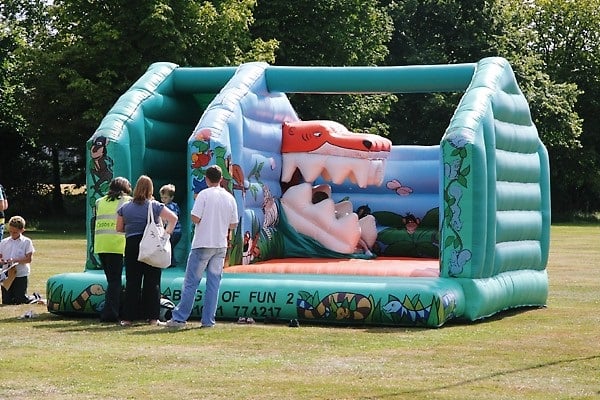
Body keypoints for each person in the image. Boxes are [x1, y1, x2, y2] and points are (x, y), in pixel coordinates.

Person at [161, 165, 238, 328]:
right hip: (220, 244)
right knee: (214, 283)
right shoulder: (229, 197)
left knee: (191, 282)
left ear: (206, 179)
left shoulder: (204, 194)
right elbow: (233, 224)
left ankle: (180, 318)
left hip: (203, 242)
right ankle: (208, 320)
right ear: (221, 179)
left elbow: (195, 217)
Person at [116, 175, 178, 326]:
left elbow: (119, 228)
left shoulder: (125, 208)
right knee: (152, 280)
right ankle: (152, 317)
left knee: (132, 281)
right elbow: (173, 218)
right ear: (151, 189)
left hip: (132, 244)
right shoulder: (154, 205)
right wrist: (166, 235)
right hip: (152, 244)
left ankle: (128, 317)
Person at [93, 177, 132, 322]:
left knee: (111, 280)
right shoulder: (127, 201)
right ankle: (111, 313)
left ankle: (112, 309)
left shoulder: (99, 201)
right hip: (117, 245)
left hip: (101, 244)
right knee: (115, 281)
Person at [0, 216, 35, 304]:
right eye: (10, 232)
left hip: (20, 273)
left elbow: (28, 259)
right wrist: (2, 261)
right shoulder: (4, 242)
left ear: (22, 230)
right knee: (6, 301)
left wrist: (15, 260)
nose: (12, 234)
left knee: (20, 300)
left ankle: (34, 297)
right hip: (6, 274)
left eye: (15, 232)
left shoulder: (27, 242)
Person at [159, 184, 182, 267]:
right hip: (178, 231)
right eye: (162, 198)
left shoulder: (168, 207)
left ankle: (169, 262)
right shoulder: (175, 206)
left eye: (165, 198)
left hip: (173, 231)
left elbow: (170, 219)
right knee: (171, 246)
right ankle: (172, 261)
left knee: (168, 246)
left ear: (171, 197)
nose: (163, 200)